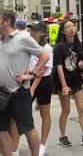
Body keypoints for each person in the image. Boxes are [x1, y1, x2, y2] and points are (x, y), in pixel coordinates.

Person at [0, 10, 49, 156]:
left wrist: (31, 74)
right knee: (2, 128)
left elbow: (44, 56)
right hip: (1, 93)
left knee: (27, 128)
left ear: (6, 21)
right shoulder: (1, 40)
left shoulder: (23, 38)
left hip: (19, 92)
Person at [10, 21, 54, 156]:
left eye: (35, 30)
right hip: (27, 78)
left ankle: (42, 144)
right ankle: (14, 147)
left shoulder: (46, 48)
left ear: (42, 32)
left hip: (43, 81)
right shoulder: (26, 43)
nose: (32, 32)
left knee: (44, 112)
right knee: (15, 115)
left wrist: (33, 88)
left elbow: (42, 70)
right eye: (31, 30)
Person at [53, 20, 83, 147]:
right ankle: (62, 136)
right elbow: (59, 67)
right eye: (68, 27)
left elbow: (82, 63)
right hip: (63, 82)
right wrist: (63, 85)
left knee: (82, 109)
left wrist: (82, 65)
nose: (71, 29)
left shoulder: (79, 45)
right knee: (66, 110)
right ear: (63, 31)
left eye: (72, 26)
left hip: (76, 80)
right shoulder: (59, 47)